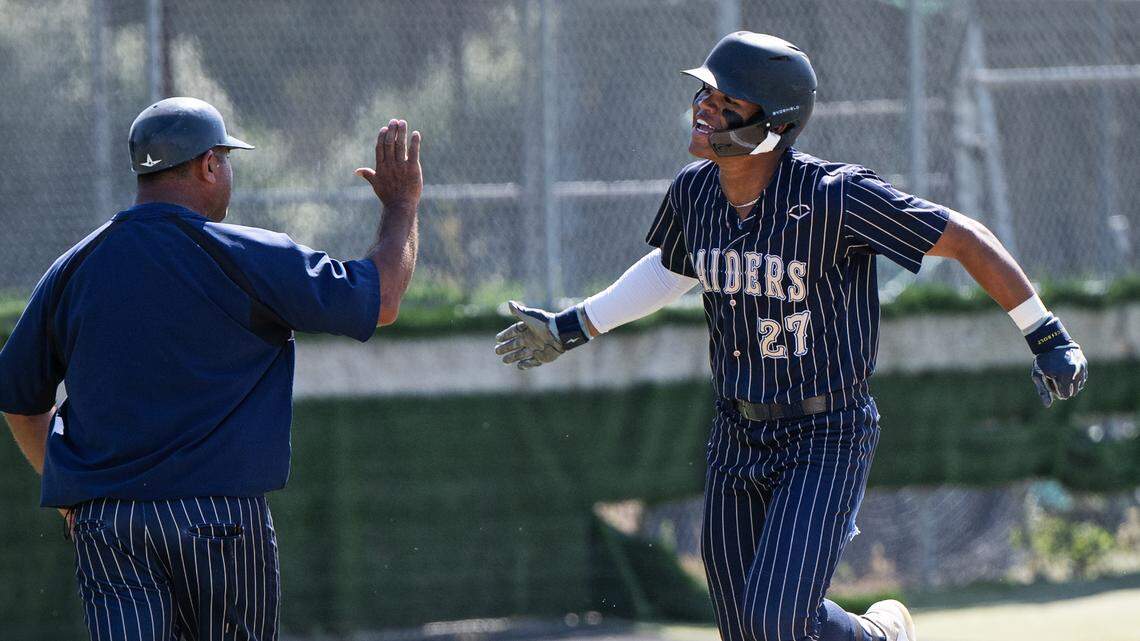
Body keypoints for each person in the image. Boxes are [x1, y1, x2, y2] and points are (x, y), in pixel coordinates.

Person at [494, 32, 1087, 641]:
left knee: (775, 620)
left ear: (771, 123)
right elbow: (672, 268)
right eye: (705, 92)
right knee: (744, 630)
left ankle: (881, 637)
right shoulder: (694, 192)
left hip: (824, 433)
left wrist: (1045, 333)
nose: (704, 108)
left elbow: (963, 238)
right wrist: (574, 325)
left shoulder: (835, 198)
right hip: (737, 430)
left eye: (727, 102)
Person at [0, 97, 422, 641]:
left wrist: (69, 495)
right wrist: (402, 205)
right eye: (224, 158)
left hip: (111, 526)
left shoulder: (73, 268)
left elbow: (18, 397)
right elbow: (383, 298)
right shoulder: (247, 255)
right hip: (219, 521)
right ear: (206, 165)